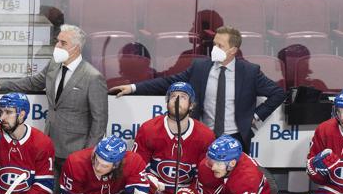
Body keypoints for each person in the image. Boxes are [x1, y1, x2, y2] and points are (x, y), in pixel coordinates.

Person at [111, 26, 286, 152]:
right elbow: (167, 82)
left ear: (233, 50)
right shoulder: (200, 68)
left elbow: (278, 93)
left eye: (220, 46)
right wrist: (133, 88)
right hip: (204, 136)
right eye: (214, 44)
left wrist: (255, 116)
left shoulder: (249, 72)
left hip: (236, 137)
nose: (215, 49)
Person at [0, 25, 108, 187]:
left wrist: (88, 153)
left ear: (76, 48)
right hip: (50, 143)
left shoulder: (93, 77)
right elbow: (33, 82)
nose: (57, 46)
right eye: (57, 42)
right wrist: (0, 85)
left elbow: (100, 121)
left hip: (76, 149)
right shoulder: (54, 65)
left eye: (63, 43)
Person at [132, 82, 214, 194]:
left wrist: (189, 193)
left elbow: (206, 176)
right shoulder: (148, 129)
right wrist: (150, 181)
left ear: (191, 105)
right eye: (173, 96)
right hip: (155, 193)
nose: (177, 100)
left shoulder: (205, 135)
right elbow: (136, 167)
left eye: (183, 97)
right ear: (167, 103)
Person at [0, 93, 56, 194]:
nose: (2, 117)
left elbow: (44, 184)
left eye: (8, 112)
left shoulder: (42, 142)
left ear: (21, 115)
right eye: (1, 111)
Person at [193, 135, 285, 194]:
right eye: (211, 162)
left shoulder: (248, 176)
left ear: (232, 163)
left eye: (218, 163)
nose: (213, 167)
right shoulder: (206, 166)